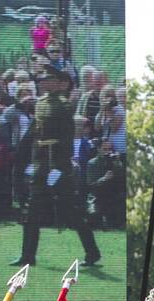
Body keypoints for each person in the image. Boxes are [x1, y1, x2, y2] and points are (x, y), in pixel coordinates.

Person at [12, 65, 101, 268]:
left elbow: (66, 140)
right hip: (40, 165)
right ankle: (27, 256)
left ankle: (92, 252)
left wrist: (58, 169)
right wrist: (31, 164)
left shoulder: (64, 105)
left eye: (48, 79)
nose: (44, 82)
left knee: (71, 212)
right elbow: (37, 136)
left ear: (58, 82)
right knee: (31, 210)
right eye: (42, 79)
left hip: (57, 167)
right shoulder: (41, 103)